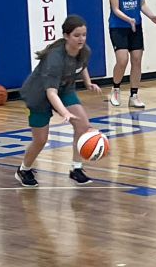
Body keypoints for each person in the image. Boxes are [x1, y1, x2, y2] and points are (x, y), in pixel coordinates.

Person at [16, 15, 102, 187]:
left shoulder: (84, 50)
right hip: (39, 95)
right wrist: (64, 113)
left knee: (83, 125)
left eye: (84, 35)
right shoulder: (55, 58)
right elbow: (50, 93)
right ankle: (23, 169)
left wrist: (87, 82)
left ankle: (76, 169)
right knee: (40, 140)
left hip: (65, 89)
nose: (81, 39)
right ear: (66, 36)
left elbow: (82, 65)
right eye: (77, 35)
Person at [107, 0, 156, 108]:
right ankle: (115, 89)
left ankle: (134, 95)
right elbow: (115, 8)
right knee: (122, 60)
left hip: (135, 26)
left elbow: (142, 4)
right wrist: (128, 19)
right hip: (118, 27)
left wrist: (152, 16)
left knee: (137, 59)